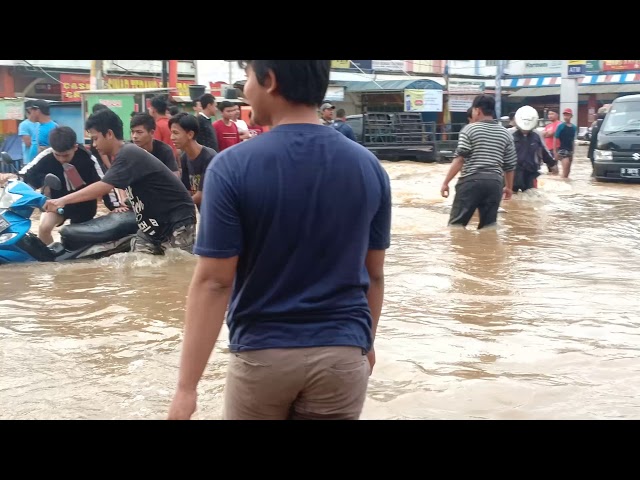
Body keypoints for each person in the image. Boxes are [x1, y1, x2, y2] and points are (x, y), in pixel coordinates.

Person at [167, 60, 392, 421]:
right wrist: (366, 343)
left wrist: (186, 388)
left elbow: (214, 281)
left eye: (248, 79)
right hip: (343, 355)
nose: (244, 90)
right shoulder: (369, 167)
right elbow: (375, 275)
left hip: (263, 355)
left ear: (269, 81)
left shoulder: (230, 167)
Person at [43, 108, 197, 256]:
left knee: (178, 265)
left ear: (109, 134)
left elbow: (102, 187)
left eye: (96, 138)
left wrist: (61, 200)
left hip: (176, 220)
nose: (94, 144)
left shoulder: (128, 153)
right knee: (138, 267)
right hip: (151, 225)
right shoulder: (123, 155)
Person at [19, 126, 113, 245]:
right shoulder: (46, 156)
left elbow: (106, 183)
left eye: (66, 155)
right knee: (44, 227)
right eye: (57, 155)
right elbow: (25, 175)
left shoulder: (88, 158)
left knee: (77, 241)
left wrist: (114, 207)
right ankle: (49, 260)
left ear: (75, 147)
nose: (61, 159)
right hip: (57, 205)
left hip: (84, 207)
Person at [440, 94, 517, 229]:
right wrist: (509, 187)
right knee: (489, 227)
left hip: (471, 181)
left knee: (456, 225)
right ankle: (488, 249)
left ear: (477, 110)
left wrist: (446, 182)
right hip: (495, 183)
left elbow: (460, 158)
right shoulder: (505, 133)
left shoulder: (469, 129)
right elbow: (510, 165)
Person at [169, 112, 216, 210]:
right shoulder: (184, 158)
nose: (172, 137)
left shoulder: (209, 157)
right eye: (171, 133)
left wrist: (178, 205)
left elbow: (201, 195)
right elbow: (187, 190)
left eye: (176, 133)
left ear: (190, 134)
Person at [510, 106, 555, 193]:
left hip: (531, 173)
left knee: (532, 197)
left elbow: (545, 152)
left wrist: (553, 166)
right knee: (511, 198)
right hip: (513, 173)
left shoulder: (537, 135)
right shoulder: (510, 134)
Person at [130, 112, 180, 178]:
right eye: (132, 132)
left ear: (152, 132)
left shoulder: (165, 151)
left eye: (139, 132)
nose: (134, 136)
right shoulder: (128, 150)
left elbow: (175, 177)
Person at [554, 108, 578, 178]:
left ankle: (565, 184)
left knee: (568, 171)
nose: (566, 117)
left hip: (570, 150)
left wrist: (573, 152)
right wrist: (555, 152)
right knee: (565, 168)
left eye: (567, 115)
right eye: (564, 115)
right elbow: (555, 138)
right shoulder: (560, 126)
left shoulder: (574, 127)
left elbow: (573, 140)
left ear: (571, 116)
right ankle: (562, 184)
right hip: (562, 150)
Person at [18, 100, 38, 166]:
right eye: (35, 109)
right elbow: (28, 143)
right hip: (29, 161)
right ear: (29, 110)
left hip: (42, 158)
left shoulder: (41, 123)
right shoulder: (24, 125)